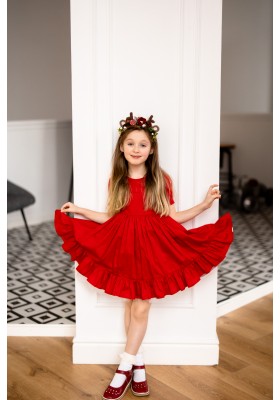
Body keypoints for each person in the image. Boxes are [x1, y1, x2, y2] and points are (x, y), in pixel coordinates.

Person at [54, 112, 234, 400]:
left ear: (151, 150)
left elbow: (173, 218)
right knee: (130, 306)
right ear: (122, 149)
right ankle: (138, 366)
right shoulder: (118, 180)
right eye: (130, 144)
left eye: (142, 144)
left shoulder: (160, 179)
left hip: (153, 249)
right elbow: (113, 217)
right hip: (125, 247)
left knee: (140, 307)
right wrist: (80, 210)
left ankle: (123, 367)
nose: (136, 149)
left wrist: (202, 206)